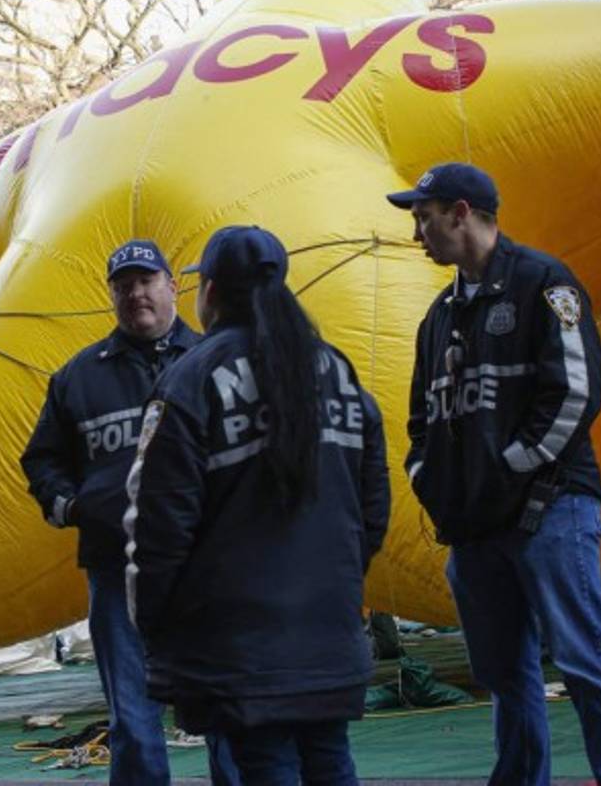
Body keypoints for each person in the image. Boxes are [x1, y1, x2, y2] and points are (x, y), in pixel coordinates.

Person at [387, 162, 601, 785]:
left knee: (585, 661)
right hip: (476, 528)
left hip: (550, 511)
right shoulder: (439, 316)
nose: (417, 234)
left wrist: (509, 468)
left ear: (461, 213)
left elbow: (576, 394)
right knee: (504, 673)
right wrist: (431, 478)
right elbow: (421, 419)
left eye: (425, 218)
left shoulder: (544, 285)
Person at [124, 226, 390, 785]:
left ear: (210, 291)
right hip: (328, 626)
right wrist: (340, 576)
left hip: (239, 643)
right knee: (330, 758)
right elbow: (373, 502)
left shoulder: (192, 379)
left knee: (266, 766)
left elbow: (159, 522)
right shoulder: (336, 370)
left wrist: (155, 619)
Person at [21, 239, 207, 785]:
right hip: (116, 565)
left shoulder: (211, 361)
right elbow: (41, 459)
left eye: (146, 281)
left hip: (207, 565)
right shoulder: (79, 376)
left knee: (225, 708)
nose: (136, 294)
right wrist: (73, 507)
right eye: (123, 286)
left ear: (173, 286)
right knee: (132, 714)